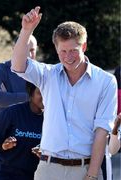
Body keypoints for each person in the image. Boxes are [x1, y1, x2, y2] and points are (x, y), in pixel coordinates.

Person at [11, 6, 118, 180]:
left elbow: (102, 131)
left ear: (84, 46)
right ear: (56, 50)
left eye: (74, 50)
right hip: (48, 169)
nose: (68, 57)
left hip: (85, 168)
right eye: (63, 51)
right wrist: (26, 30)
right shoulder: (47, 74)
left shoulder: (105, 81)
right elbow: (17, 65)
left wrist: (91, 175)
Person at [0, 81, 44, 180]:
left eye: (47, 92)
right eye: (40, 93)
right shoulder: (12, 112)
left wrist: (45, 154)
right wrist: (3, 145)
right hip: (5, 174)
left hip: (33, 176)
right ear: (31, 93)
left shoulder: (52, 118)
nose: (45, 97)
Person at [0, 35, 37, 117]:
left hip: (34, 124)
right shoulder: (2, 69)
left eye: (32, 50)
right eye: (25, 50)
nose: (29, 55)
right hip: (8, 125)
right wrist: (31, 97)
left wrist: (12, 97)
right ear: (15, 49)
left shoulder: (41, 72)